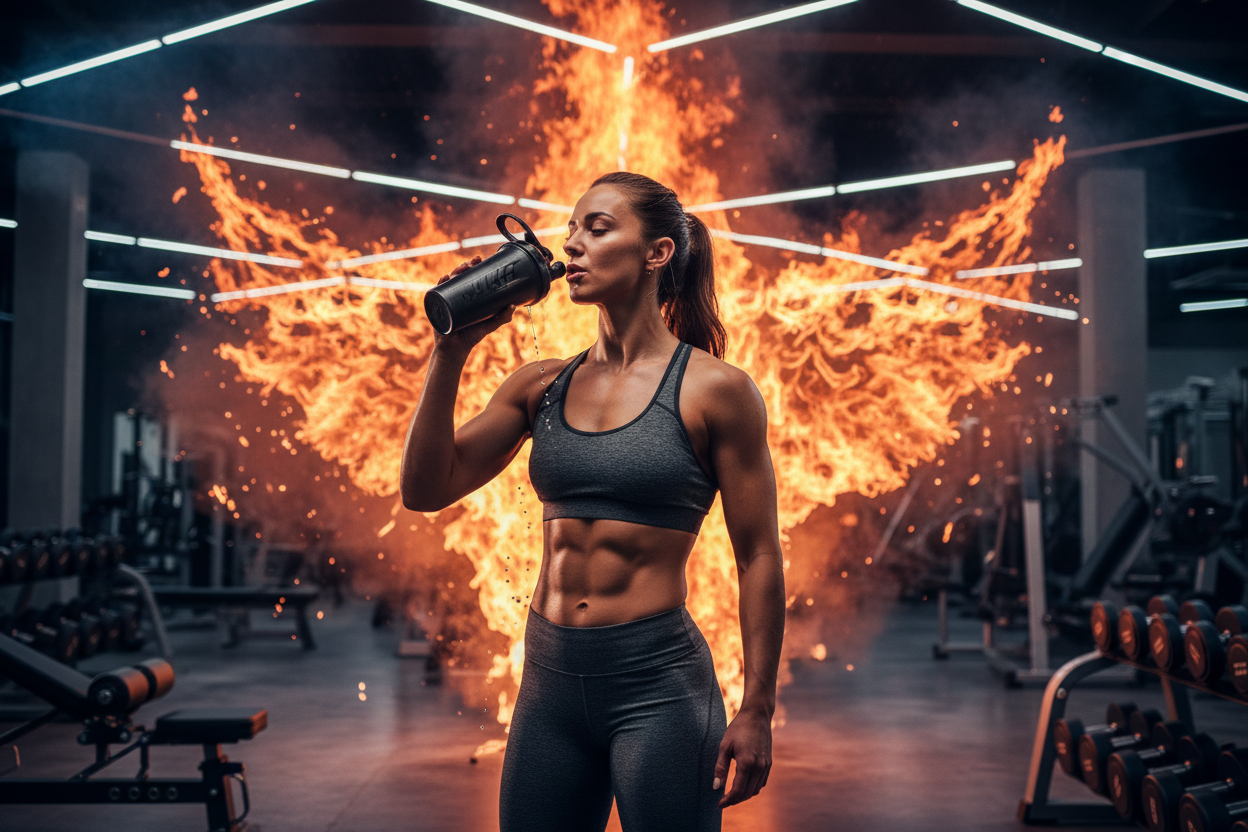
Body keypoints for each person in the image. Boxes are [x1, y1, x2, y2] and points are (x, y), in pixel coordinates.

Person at [400, 171, 785, 832]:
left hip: (658, 685)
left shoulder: (715, 390)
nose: (572, 244)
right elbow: (424, 489)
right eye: (571, 230)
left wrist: (757, 709)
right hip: (548, 685)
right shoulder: (540, 386)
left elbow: (759, 557)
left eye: (597, 229)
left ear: (657, 253)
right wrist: (450, 351)